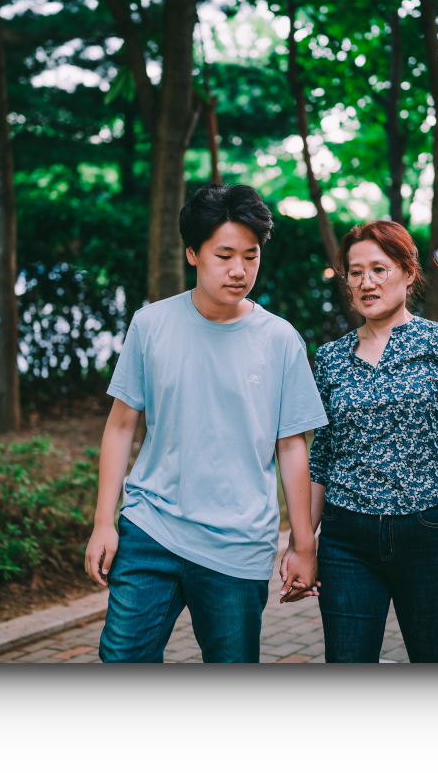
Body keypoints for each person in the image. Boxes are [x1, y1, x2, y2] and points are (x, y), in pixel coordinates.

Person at [85, 183, 328, 663]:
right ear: (193, 253)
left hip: (237, 546)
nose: (239, 270)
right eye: (224, 255)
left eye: (251, 256)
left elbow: (291, 446)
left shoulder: (280, 340)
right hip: (150, 528)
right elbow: (121, 426)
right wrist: (102, 522)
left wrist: (304, 544)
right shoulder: (151, 325)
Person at [281, 220, 438, 662]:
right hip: (347, 542)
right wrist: (300, 545)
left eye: (379, 269)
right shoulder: (330, 358)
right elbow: (321, 458)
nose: (366, 282)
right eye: (355, 272)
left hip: (431, 536)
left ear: (408, 273)